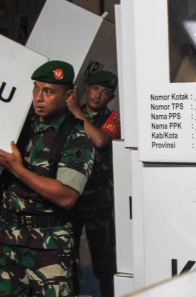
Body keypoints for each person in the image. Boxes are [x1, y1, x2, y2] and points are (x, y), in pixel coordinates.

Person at [0, 61, 95, 297]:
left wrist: (18, 168)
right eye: (36, 88)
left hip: (48, 245)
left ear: (69, 95)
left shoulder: (77, 138)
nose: (39, 98)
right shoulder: (17, 128)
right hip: (7, 238)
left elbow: (66, 196)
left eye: (48, 91)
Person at [65, 71, 121, 297]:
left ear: (111, 97)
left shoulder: (112, 117)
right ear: (87, 88)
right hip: (72, 195)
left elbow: (100, 140)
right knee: (68, 256)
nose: (99, 96)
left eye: (105, 92)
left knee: (104, 259)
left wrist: (77, 112)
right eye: (96, 89)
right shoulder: (66, 114)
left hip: (99, 198)